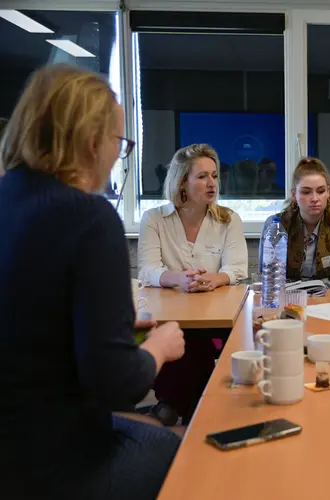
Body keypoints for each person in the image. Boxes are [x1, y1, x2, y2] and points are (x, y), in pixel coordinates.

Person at [0, 64, 185, 499]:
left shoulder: (9, 200)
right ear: (92, 142)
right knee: (182, 450)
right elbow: (117, 384)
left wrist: (112, 330)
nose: (116, 157)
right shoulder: (88, 217)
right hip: (47, 464)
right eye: (120, 143)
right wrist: (158, 350)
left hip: (12, 438)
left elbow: (29, 325)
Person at [138, 143, 248, 425]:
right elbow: (148, 269)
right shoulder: (154, 219)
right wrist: (178, 278)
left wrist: (215, 279)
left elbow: (237, 268)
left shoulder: (228, 219)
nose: (212, 183)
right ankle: (196, 409)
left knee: (199, 339)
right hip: (171, 311)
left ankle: (172, 406)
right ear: (182, 181)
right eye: (202, 176)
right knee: (186, 337)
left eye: (214, 175)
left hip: (216, 312)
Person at [261, 157, 330, 289]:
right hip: (287, 297)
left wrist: (311, 291)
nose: (314, 198)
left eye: (321, 191)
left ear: (328, 192)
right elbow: (269, 275)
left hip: (328, 298)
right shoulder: (276, 226)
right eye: (306, 192)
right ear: (294, 194)